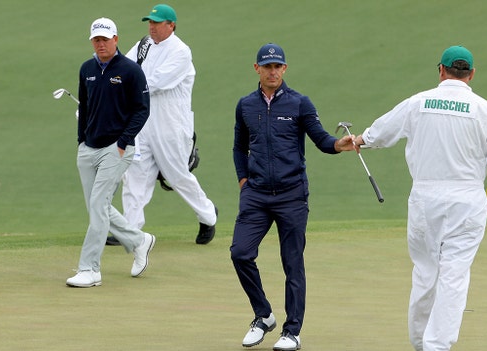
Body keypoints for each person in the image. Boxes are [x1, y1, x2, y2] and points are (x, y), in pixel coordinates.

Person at [354, 45, 487, 350]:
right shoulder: (486, 110)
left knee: (426, 272)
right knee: (454, 275)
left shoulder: (419, 102)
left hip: (425, 200)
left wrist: (358, 140)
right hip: (468, 201)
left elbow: (379, 134)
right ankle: (436, 345)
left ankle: (420, 342)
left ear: (441, 70)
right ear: (471, 74)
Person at [230, 43, 356, 351]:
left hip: (292, 195)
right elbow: (238, 146)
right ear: (257, 69)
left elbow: (321, 139)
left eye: (278, 66)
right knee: (240, 253)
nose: (273, 71)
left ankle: (292, 331)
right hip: (256, 194)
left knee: (292, 263)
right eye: (267, 66)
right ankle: (263, 316)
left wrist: (340, 145)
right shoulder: (245, 105)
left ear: (284, 69)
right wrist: (243, 180)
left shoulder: (299, 103)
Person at [116, 4, 217, 245]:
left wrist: (121, 86)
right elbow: (123, 67)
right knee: (135, 176)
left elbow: (154, 82)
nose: (151, 27)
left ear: (171, 25)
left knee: (176, 176)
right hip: (142, 124)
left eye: (157, 23)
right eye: (150, 22)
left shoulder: (181, 51)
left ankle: (208, 216)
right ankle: (130, 231)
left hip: (171, 125)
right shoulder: (143, 45)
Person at [67, 17, 155, 288]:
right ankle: (139, 240)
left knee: (97, 205)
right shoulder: (87, 69)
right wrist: (81, 140)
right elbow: (86, 108)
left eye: (105, 39)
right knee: (98, 206)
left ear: (116, 39)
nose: (101, 44)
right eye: (96, 40)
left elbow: (142, 109)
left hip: (116, 148)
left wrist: (124, 140)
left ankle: (90, 268)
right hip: (88, 147)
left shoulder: (130, 71)